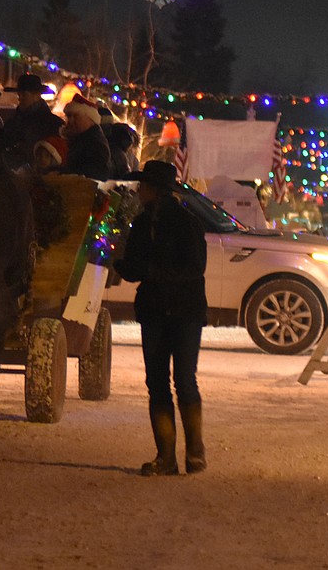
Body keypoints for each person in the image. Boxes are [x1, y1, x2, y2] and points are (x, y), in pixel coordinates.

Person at [114, 160, 208, 476]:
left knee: (184, 379)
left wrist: (151, 272)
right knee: (157, 383)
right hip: (154, 310)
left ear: (156, 190)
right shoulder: (141, 224)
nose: (139, 191)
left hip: (183, 310)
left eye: (144, 186)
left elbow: (194, 269)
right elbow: (134, 265)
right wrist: (119, 264)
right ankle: (166, 456)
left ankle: (195, 451)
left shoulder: (186, 223)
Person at [2, 72, 64, 171]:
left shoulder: (52, 124)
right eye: (19, 94)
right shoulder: (12, 123)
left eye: (24, 94)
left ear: (36, 95)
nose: (19, 98)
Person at [61, 94, 112, 180]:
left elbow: (95, 174)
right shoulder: (81, 139)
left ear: (90, 118)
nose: (70, 121)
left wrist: (64, 174)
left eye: (76, 116)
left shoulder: (95, 143)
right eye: (68, 116)